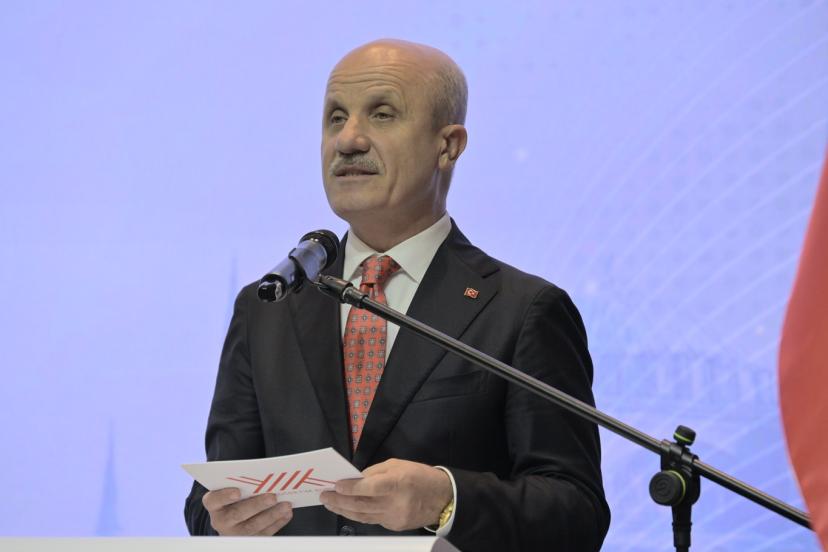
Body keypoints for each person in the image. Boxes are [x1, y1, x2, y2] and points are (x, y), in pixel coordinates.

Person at [185, 39, 610, 551]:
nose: (348, 140)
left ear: (448, 145)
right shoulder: (267, 307)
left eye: (382, 114)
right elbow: (209, 501)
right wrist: (222, 520)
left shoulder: (522, 311)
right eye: (335, 118)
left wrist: (447, 499)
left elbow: (576, 513)